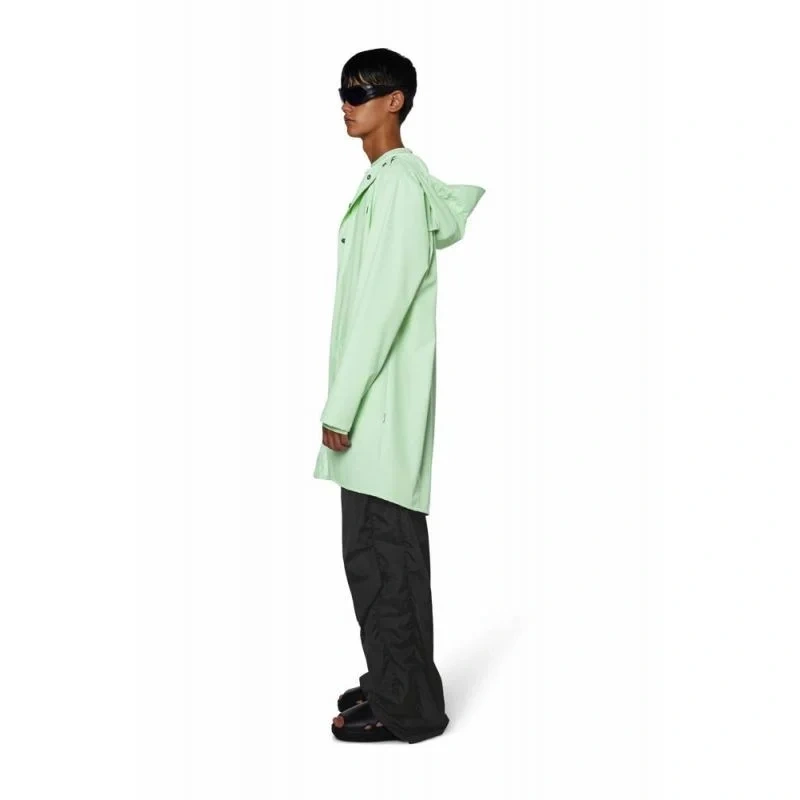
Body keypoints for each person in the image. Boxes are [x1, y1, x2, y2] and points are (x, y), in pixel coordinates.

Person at [313, 48, 485, 743]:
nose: (348, 102)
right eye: (344, 90)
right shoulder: (386, 181)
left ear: (397, 101)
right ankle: (393, 676)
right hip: (378, 409)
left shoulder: (397, 186)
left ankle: (408, 707)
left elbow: (382, 304)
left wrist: (340, 405)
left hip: (375, 412)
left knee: (382, 559)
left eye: (364, 91)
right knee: (381, 555)